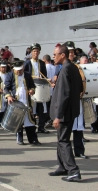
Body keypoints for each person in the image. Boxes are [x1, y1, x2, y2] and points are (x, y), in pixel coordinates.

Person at [49, 45, 82, 182]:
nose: (53, 57)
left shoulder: (66, 69)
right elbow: (80, 86)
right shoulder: (73, 68)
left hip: (64, 113)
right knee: (61, 139)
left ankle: (73, 170)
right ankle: (62, 166)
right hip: (71, 110)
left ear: (63, 55)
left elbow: (64, 95)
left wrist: (58, 116)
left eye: (55, 54)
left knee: (63, 140)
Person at [5, 59, 41, 145]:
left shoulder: (27, 75)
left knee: (30, 122)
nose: (19, 72)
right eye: (17, 70)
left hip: (27, 102)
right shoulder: (10, 75)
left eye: (20, 70)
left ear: (23, 68)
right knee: (18, 122)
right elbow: (6, 88)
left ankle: (33, 139)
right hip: (16, 102)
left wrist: (32, 90)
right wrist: (9, 96)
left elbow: (32, 86)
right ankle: (20, 139)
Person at [23, 43, 49, 133]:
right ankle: (31, 125)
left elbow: (45, 75)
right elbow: (24, 75)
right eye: (34, 51)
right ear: (31, 52)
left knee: (41, 107)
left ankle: (41, 126)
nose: (36, 53)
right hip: (31, 87)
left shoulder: (41, 63)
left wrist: (43, 78)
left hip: (40, 87)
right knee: (31, 106)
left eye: (37, 51)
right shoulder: (27, 63)